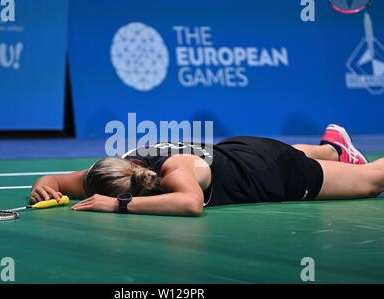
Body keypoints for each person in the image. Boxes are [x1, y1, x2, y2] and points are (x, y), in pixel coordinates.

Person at [30, 124, 384, 216]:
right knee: (294, 153)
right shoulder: (120, 166)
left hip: (274, 172)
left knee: (370, 181)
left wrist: (118, 205)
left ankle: (335, 154)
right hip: (241, 151)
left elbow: (190, 203)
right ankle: (335, 149)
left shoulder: (175, 171)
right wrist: (44, 185)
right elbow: (62, 180)